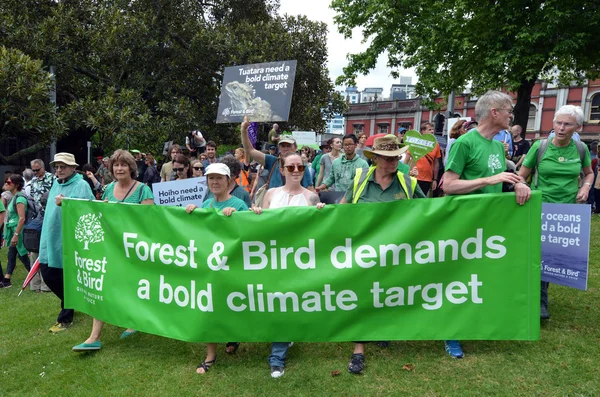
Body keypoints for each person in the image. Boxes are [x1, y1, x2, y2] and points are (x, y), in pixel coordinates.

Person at [444, 90, 531, 358]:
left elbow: (506, 175)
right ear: (494, 112)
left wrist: (520, 184)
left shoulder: (497, 145)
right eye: (508, 111)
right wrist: (487, 181)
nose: (511, 116)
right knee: (458, 279)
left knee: (481, 277)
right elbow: (447, 185)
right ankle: (451, 334)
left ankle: (475, 322)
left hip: (491, 224)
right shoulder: (465, 143)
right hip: (464, 224)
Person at [339, 134, 424, 374]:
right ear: (375, 158)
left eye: (396, 156)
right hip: (363, 252)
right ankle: (358, 349)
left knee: (389, 293)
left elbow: (431, 212)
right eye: (387, 158)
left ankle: (383, 329)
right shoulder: (360, 180)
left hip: (396, 255)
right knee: (361, 297)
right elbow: (342, 211)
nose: (394, 161)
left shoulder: (408, 183)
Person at [251, 152, 325, 378]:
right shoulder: (271, 193)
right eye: (290, 167)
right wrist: (256, 213)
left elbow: (319, 231)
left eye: (300, 167)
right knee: (276, 305)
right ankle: (282, 340)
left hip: (299, 261)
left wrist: (323, 214)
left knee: (285, 304)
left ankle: (277, 357)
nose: (295, 171)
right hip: (272, 259)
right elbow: (259, 226)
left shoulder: (311, 198)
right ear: (281, 170)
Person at [73, 150, 154, 352]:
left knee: (131, 287)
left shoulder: (143, 190)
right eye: (116, 165)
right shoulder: (108, 190)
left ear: (131, 168)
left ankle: (133, 321)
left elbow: (150, 222)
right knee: (101, 285)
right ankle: (94, 337)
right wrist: (67, 204)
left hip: (134, 249)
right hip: (110, 247)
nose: (119, 168)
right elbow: (97, 214)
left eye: (123, 165)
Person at [518, 105, 592, 320]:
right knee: (538, 253)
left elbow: (588, 174)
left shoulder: (580, 149)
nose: (561, 128)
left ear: (577, 127)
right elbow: (522, 175)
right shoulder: (540, 147)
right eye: (558, 123)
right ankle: (539, 301)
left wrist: (585, 187)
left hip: (567, 212)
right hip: (540, 208)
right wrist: (521, 186)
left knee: (553, 256)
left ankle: (540, 296)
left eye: (567, 124)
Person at [185, 163, 248, 374]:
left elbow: (249, 234)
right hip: (209, 268)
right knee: (208, 308)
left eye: (219, 178)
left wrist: (237, 218)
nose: (214, 182)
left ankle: (234, 335)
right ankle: (210, 354)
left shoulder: (239, 205)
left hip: (232, 267)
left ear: (229, 181)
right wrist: (191, 214)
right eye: (211, 178)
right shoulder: (205, 205)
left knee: (233, 305)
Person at [38, 153, 95, 333]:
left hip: (68, 239)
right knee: (48, 273)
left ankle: (66, 315)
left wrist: (67, 203)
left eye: (63, 166)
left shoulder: (81, 185)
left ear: (73, 168)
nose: (59, 170)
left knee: (62, 275)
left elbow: (88, 209)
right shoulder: (57, 183)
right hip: (51, 236)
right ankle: (70, 303)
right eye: (57, 167)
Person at [240, 117, 313, 191]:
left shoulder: (301, 166)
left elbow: (309, 188)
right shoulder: (272, 161)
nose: (285, 148)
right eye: (283, 146)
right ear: (279, 147)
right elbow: (250, 150)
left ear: (296, 147)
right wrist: (244, 130)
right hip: (274, 201)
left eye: (288, 145)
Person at [28, 159, 55, 292]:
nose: (35, 173)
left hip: (51, 216)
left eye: (37, 170)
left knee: (46, 248)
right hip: (39, 217)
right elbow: (33, 198)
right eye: (33, 170)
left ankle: (46, 284)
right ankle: (35, 284)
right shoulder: (32, 181)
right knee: (35, 248)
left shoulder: (52, 178)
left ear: (43, 168)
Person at [0, 174, 31, 288]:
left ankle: (35, 275)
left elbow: (22, 218)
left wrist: (16, 235)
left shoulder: (20, 198)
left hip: (19, 231)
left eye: (9, 182)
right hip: (14, 230)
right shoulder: (14, 196)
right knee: (12, 254)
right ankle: (7, 280)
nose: (6, 184)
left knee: (22, 255)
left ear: (17, 185)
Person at [403, 122, 442, 195]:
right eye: (429, 129)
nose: (432, 131)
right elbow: (406, 159)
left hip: (427, 179)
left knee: (422, 199)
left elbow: (436, 163)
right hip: (413, 176)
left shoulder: (436, 145)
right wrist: (404, 174)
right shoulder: (415, 142)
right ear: (423, 131)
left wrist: (435, 179)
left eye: (433, 130)